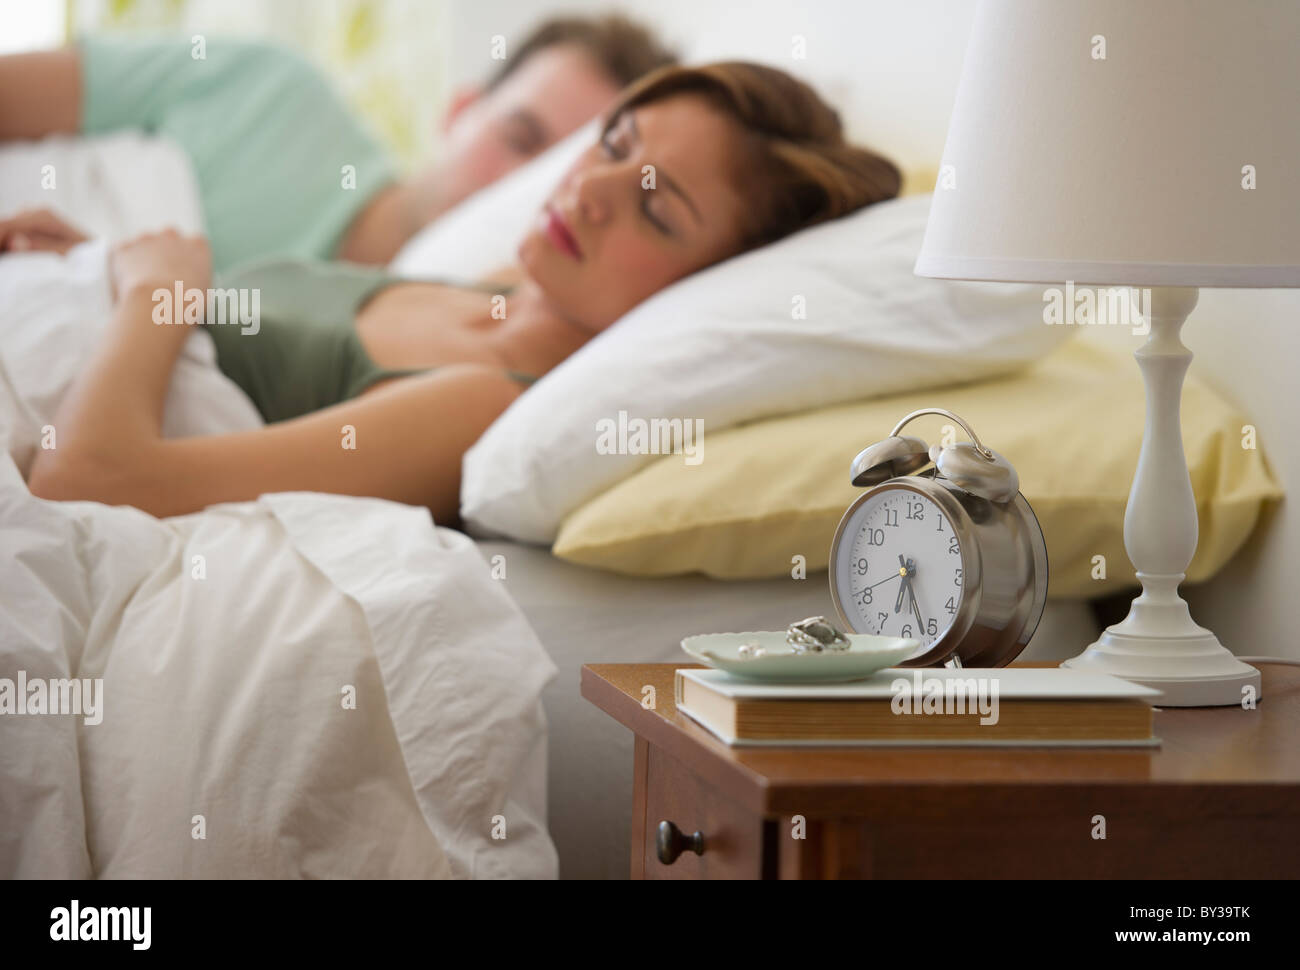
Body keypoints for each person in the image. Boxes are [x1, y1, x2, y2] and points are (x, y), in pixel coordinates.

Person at [16, 63, 902, 525]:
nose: (590, 187)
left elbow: (87, 484)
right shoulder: (491, 287)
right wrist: (97, 263)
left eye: (656, 209)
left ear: (706, 288)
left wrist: (152, 298)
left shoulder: (481, 403)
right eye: (617, 143)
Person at [0, 15, 677, 270]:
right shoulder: (266, 90)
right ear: (461, 109)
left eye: (548, 179)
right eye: (519, 137)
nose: (513, 191)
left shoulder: (412, 364)